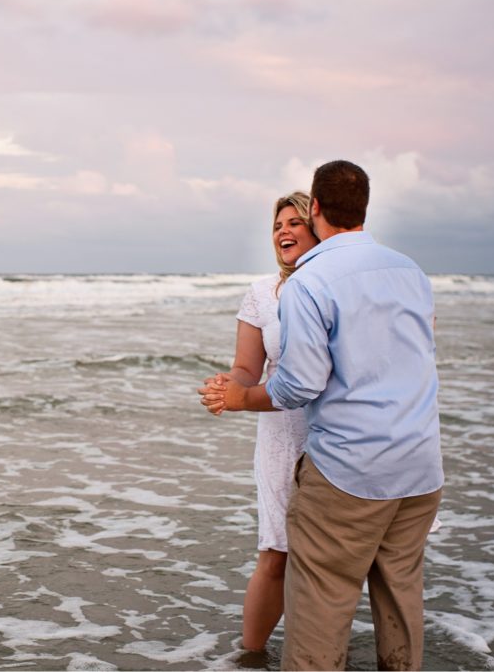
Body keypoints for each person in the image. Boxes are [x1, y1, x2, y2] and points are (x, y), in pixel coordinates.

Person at [206, 160, 443, 671]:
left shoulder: (311, 283)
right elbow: (419, 356)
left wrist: (242, 398)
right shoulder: (410, 271)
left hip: (349, 467)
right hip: (421, 466)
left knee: (319, 608)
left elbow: (300, 384)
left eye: (295, 219)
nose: (285, 231)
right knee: (401, 598)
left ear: (315, 211)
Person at [196, 191, 319, 654]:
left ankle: (317, 653)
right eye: (277, 225)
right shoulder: (262, 293)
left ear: (317, 226)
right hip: (282, 436)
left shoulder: (335, 287)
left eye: (295, 222)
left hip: (339, 435)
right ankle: (250, 657)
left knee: (334, 559)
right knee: (276, 552)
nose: (283, 231)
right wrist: (227, 386)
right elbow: (248, 369)